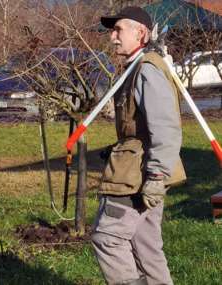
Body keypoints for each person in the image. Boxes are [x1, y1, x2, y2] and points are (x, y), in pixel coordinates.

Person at [91, 6, 186, 285]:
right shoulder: (137, 67)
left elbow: (166, 126)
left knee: (107, 238)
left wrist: (157, 176)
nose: (113, 37)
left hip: (138, 173)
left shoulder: (147, 69)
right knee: (146, 247)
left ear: (141, 33)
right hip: (140, 168)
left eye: (119, 29)